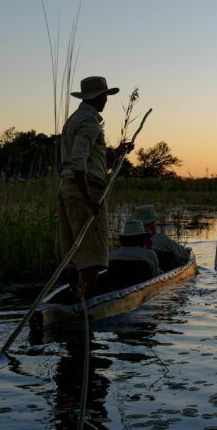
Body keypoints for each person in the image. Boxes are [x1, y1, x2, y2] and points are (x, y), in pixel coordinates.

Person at [58, 76, 132, 299]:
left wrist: (116, 152)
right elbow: (79, 161)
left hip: (67, 189)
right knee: (92, 255)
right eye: (105, 96)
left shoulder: (74, 120)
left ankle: (74, 296)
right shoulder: (89, 122)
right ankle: (85, 305)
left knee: (73, 253)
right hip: (85, 191)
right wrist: (89, 199)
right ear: (98, 97)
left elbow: (88, 156)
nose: (106, 101)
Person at [132, 204, 190, 270]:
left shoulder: (128, 243)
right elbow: (185, 257)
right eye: (155, 222)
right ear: (152, 225)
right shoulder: (163, 240)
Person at [108, 219, 160, 286]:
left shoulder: (111, 255)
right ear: (142, 238)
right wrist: (148, 250)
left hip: (116, 288)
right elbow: (156, 276)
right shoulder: (150, 255)